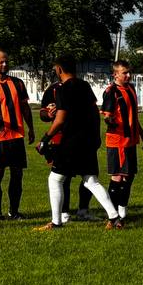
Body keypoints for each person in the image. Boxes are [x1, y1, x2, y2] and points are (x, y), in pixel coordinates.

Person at [33, 56, 121, 230]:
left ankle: (57, 222)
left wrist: (45, 139)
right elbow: (95, 112)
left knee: (55, 179)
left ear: (59, 69)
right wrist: (95, 136)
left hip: (71, 142)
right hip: (87, 140)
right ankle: (115, 217)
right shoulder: (85, 85)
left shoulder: (63, 89)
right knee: (91, 180)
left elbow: (60, 119)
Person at [0, 48, 35, 220]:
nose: (5, 64)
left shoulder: (18, 83)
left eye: (6, 61)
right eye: (1, 62)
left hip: (17, 136)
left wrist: (31, 128)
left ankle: (14, 211)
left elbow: (25, 107)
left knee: (17, 175)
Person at [100, 60, 143, 220]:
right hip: (118, 141)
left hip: (131, 140)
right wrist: (110, 120)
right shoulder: (111, 91)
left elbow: (133, 116)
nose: (128, 75)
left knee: (129, 176)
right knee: (117, 177)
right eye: (124, 73)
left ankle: (122, 210)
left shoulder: (131, 88)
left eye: (129, 72)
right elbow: (107, 117)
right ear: (115, 74)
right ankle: (113, 214)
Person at [38, 75, 91, 222]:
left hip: (82, 137)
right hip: (60, 138)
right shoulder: (53, 89)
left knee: (89, 175)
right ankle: (64, 212)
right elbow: (42, 113)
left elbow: (91, 110)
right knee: (63, 177)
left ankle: (83, 210)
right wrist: (48, 114)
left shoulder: (82, 86)